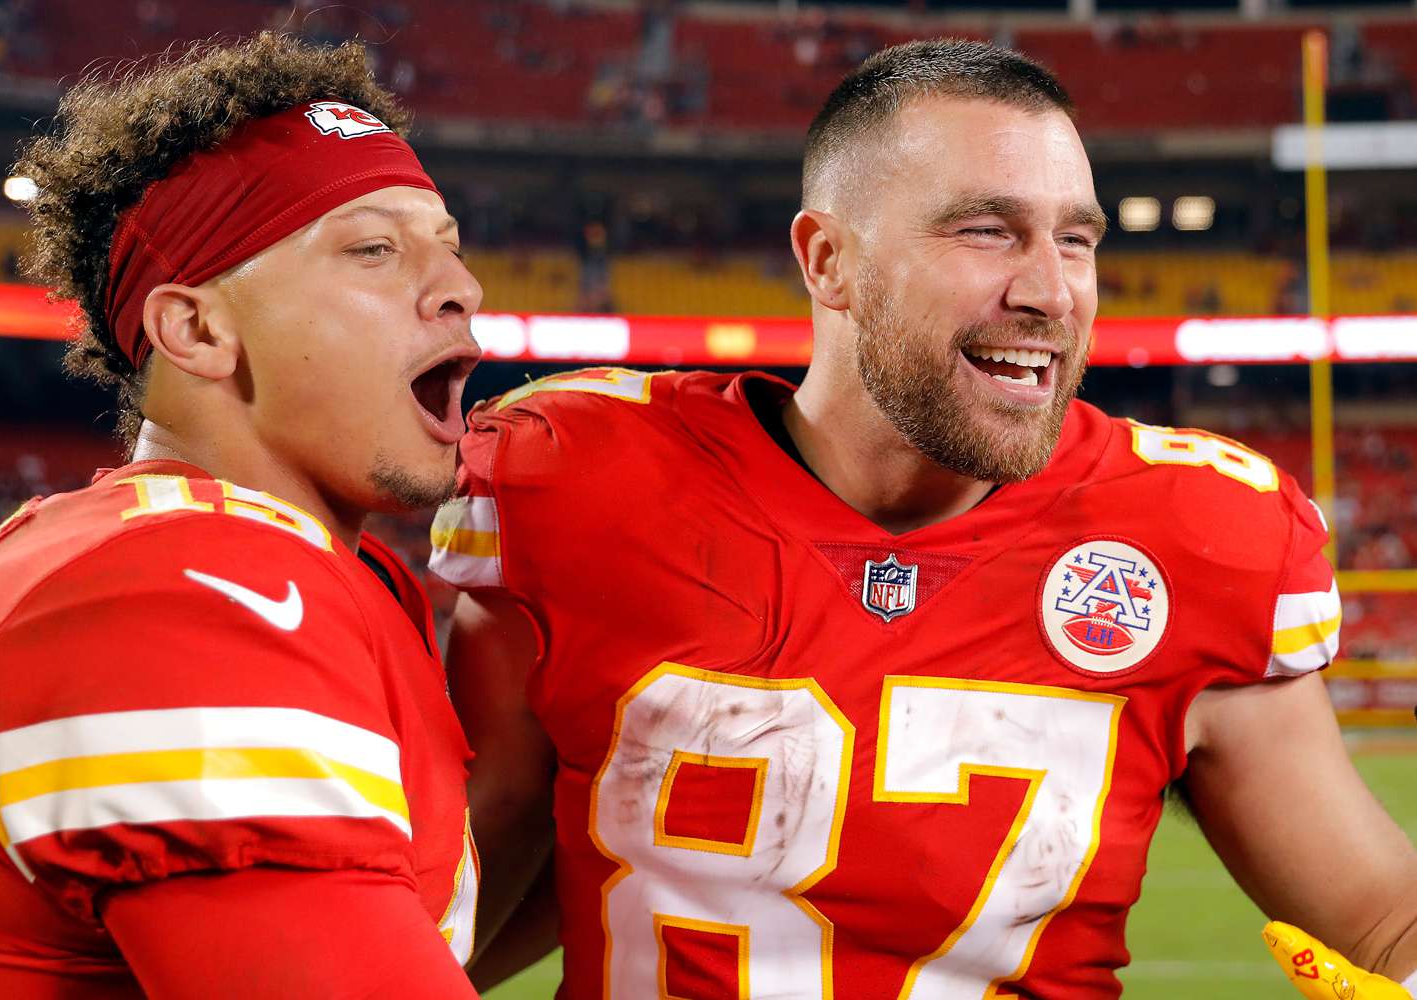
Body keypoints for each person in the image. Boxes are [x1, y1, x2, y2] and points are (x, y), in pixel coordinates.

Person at [430, 40, 1417, 998]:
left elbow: (1383, 917)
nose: (1049, 290)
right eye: (986, 230)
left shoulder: (1196, 536)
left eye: (1075, 238)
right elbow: (477, 884)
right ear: (828, 261)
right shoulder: (579, 483)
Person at [0, 33, 485, 998]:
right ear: (198, 329)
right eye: (375, 249)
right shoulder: (180, 592)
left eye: (450, 247)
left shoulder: (311, 569)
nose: (462, 290)